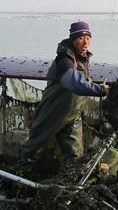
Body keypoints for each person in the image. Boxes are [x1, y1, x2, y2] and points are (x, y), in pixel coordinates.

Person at [19, 21, 109, 164]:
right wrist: (100, 90)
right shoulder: (64, 59)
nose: (86, 42)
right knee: (34, 144)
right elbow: (73, 82)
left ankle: (71, 177)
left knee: (75, 155)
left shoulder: (83, 58)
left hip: (73, 113)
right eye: (81, 38)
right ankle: (22, 170)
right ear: (73, 40)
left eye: (88, 38)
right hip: (54, 110)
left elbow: (82, 82)